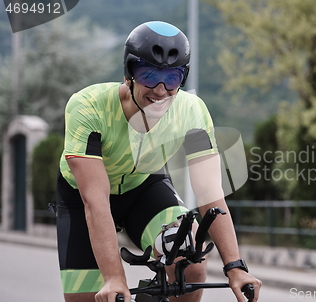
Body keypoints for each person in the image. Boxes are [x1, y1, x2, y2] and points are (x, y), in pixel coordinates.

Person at [55, 21, 262, 302]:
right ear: (129, 74)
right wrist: (114, 277)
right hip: (82, 199)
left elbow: (210, 194)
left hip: (144, 187)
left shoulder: (192, 111)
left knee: (191, 262)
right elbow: (95, 201)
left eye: (172, 78)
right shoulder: (88, 106)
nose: (161, 90)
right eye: (149, 75)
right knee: (92, 297)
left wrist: (235, 266)